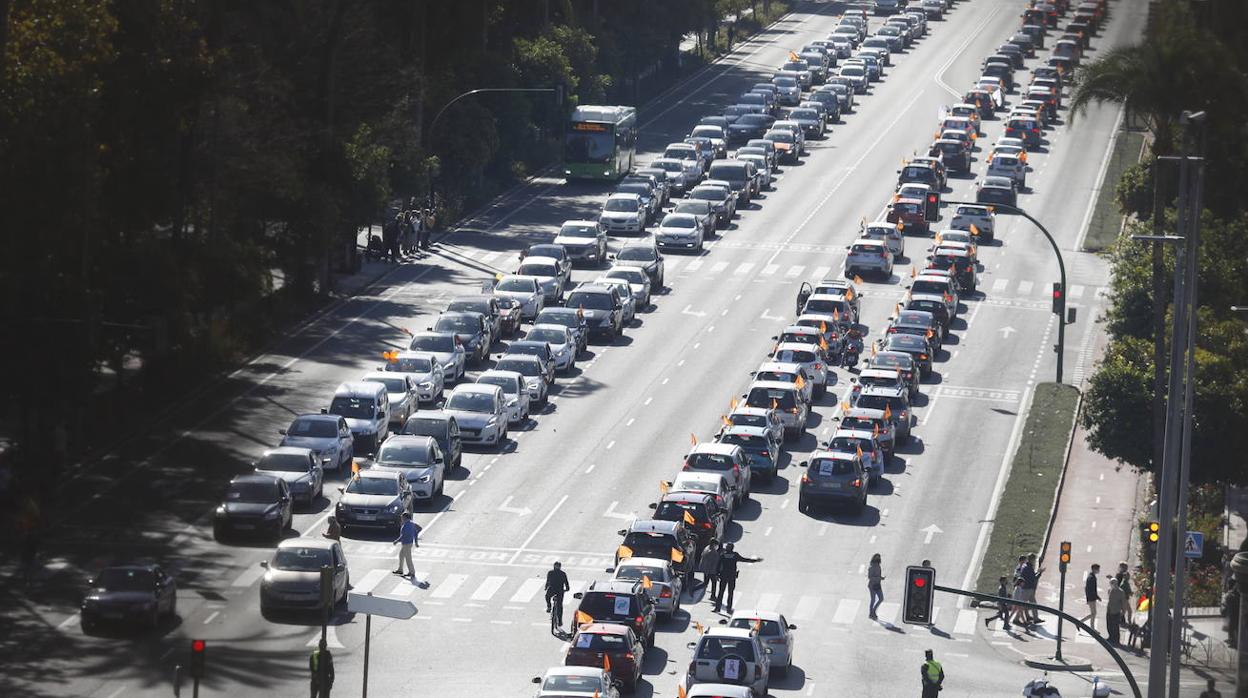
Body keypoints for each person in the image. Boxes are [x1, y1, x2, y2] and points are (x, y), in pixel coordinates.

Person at [713, 542, 762, 613]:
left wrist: (717, 574)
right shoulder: (735, 555)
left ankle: (717, 608)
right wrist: (755, 560)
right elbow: (745, 560)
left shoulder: (723, 555)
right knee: (730, 593)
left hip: (723, 576)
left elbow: (718, 565)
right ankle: (728, 609)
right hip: (732, 577)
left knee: (721, 592)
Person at [392, 512, 424, 585]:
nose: (401, 518)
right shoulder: (412, 524)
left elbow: (403, 535)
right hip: (408, 543)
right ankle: (400, 569)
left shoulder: (406, 525)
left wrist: (396, 541)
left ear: (405, 517)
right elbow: (417, 530)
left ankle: (412, 572)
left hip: (406, 543)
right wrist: (415, 541)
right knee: (401, 555)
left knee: (408, 559)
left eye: (402, 517)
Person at [1020, 553, 1044, 624]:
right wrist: (1040, 573)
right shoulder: (1029, 568)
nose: (1034, 561)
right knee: (1024, 604)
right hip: (1027, 589)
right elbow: (1034, 578)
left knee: (1031, 604)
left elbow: (1032, 576)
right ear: (1031, 560)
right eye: (1034, 560)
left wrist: (1038, 572)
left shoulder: (1026, 567)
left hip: (1027, 588)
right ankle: (1025, 618)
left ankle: (1033, 618)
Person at [1106, 577, 1127, 646]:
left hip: (1116, 611)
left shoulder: (1121, 592)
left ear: (1116, 583)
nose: (1111, 584)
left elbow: (1123, 603)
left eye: (1113, 583)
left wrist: (1123, 612)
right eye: (1111, 583)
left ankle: (1116, 640)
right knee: (1109, 625)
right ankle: (1110, 637)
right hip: (1109, 610)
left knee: (1115, 626)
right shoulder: (1109, 590)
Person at [1081, 563, 1101, 631]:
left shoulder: (1092, 576)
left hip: (1091, 598)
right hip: (1091, 598)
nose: (1099, 570)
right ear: (1094, 569)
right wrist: (1096, 597)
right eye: (1097, 569)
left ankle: (1091, 627)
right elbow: (1090, 589)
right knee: (1093, 613)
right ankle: (1082, 622)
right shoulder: (1091, 578)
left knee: (1093, 613)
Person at [867, 553, 885, 620]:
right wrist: (879, 578)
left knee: (881, 599)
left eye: (879, 557)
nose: (878, 559)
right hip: (872, 585)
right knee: (873, 599)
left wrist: (881, 578)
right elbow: (870, 577)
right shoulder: (871, 567)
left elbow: (877, 575)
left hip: (877, 584)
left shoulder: (878, 565)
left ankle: (873, 611)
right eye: (877, 557)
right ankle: (871, 613)